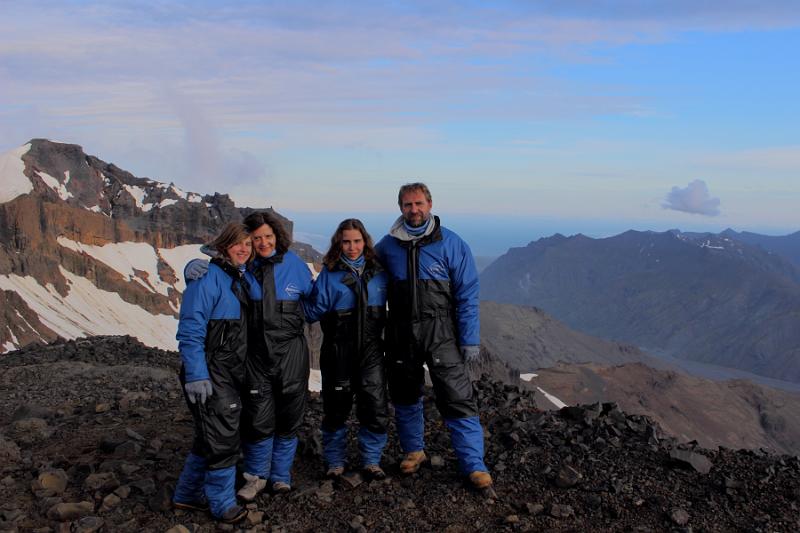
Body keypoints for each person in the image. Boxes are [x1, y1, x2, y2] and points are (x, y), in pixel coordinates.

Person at [185, 211, 313, 499]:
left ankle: (280, 476)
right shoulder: (245, 267)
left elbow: (314, 302)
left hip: (291, 354)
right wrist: (192, 266)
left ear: (278, 235)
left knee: (289, 416)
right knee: (258, 418)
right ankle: (255, 477)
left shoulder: (295, 265)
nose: (264, 242)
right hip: (255, 356)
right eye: (257, 238)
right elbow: (220, 268)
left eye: (268, 236)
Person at [375, 182, 492, 489]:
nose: (414, 210)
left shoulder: (451, 243)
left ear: (430, 204)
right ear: (400, 208)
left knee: (457, 397)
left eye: (419, 204)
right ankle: (414, 451)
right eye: (407, 205)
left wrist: (469, 339)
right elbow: (369, 282)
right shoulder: (387, 247)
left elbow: (467, 294)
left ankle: (473, 465)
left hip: (442, 332)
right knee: (405, 394)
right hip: (401, 331)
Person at [173, 222, 255, 524]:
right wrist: (196, 374)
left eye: (248, 244)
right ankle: (222, 503)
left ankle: (187, 494)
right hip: (212, 372)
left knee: (208, 436)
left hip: (229, 372)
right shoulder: (207, 280)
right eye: (238, 244)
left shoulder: (238, 277)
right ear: (223, 246)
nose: (244, 249)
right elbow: (190, 330)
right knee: (223, 439)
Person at [304, 219, 389, 480]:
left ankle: (371, 461)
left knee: (374, 406)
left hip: (372, 353)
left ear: (365, 242)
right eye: (346, 242)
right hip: (338, 351)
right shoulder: (329, 276)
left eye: (357, 241)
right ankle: (335, 461)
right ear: (338, 243)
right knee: (336, 409)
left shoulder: (379, 272)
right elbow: (311, 310)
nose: (352, 247)